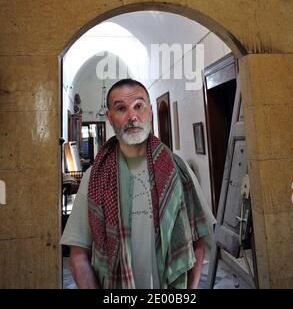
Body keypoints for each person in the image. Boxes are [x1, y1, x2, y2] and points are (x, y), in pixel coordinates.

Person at [60, 79, 213, 290]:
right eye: (121, 108)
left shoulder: (179, 170)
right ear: (110, 118)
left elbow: (197, 242)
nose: (132, 117)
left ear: (150, 111)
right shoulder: (93, 178)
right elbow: (78, 255)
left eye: (138, 106)